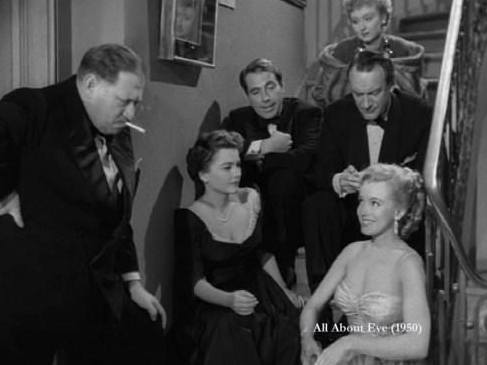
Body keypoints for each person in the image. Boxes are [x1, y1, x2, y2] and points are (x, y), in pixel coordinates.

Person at [0, 44, 166, 365]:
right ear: (91, 84)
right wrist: (0, 193)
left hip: (70, 301)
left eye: (136, 103)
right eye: (124, 101)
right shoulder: (38, 106)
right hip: (7, 300)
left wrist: (132, 282)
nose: (131, 114)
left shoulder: (117, 129)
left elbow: (115, 217)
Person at [302, 50, 432, 295]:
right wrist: (340, 180)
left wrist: (387, 185)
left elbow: (424, 179)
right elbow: (321, 171)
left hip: (394, 213)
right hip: (353, 210)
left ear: (390, 86)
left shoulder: (419, 115)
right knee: (317, 205)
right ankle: (322, 296)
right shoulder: (337, 113)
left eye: (373, 93)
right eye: (358, 94)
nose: (365, 103)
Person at [181, 130, 305, 365]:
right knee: (230, 328)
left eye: (238, 165)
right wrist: (229, 300)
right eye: (227, 167)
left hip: (260, 288)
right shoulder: (190, 218)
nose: (237, 173)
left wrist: (283, 289)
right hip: (217, 297)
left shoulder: (250, 198)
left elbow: (263, 251)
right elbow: (195, 282)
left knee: (285, 323)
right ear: (204, 174)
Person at [300, 163, 431, 365]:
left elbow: (418, 344)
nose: (363, 211)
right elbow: (313, 306)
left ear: (398, 211)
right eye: (361, 201)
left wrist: (350, 344)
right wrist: (307, 338)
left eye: (375, 203)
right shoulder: (352, 252)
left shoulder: (408, 263)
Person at [225, 58, 322, 288]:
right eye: (255, 91)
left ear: (282, 86)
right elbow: (230, 153)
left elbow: (306, 158)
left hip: (296, 197)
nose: (265, 98)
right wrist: (266, 146)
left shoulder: (307, 113)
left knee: (282, 181)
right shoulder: (238, 118)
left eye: (270, 87)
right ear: (248, 96)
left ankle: (285, 263)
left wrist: (262, 160)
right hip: (257, 193)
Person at [310, 0, 427, 107]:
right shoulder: (343, 50)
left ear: (383, 18)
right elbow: (322, 93)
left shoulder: (403, 49)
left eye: (368, 19)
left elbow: (414, 94)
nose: (362, 27)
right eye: (355, 21)